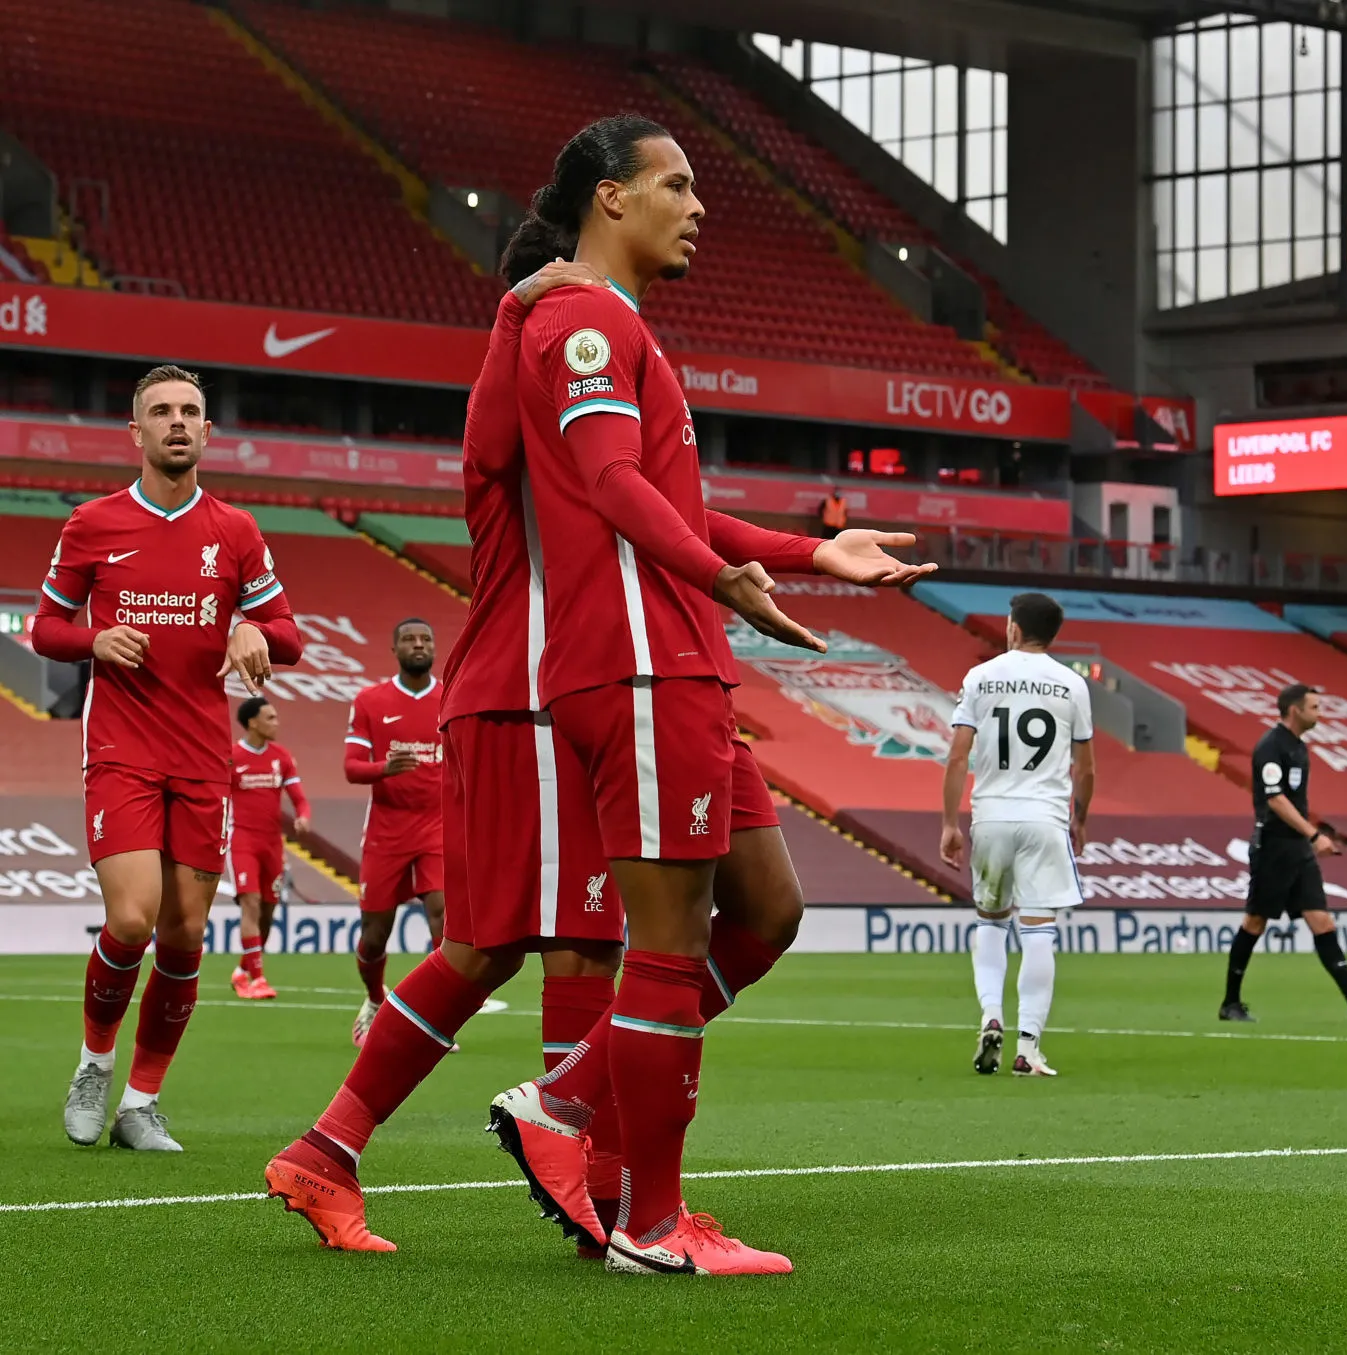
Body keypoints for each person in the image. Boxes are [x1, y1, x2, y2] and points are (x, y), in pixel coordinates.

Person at [268, 117, 933, 1272]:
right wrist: (720, 573)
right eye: (677, 184)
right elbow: (611, 482)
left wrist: (805, 550)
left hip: (610, 663)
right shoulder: (562, 322)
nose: (700, 206)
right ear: (610, 199)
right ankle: (614, 1190)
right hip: (566, 672)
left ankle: (547, 1135)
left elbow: (647, 486)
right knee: (566, 943)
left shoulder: (582, 325)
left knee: (691, 919)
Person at [34, 363, 300, 1152]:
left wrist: (255, 631)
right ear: (138, 432)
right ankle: (94, 1064)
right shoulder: (92, 524)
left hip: (201, 756)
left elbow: (287, 634)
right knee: (132, 916)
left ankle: (140, 1103)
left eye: (191, 410)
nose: (178, 422)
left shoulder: (237, 530)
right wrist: (93, 639)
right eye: (162, 411)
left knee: (185, 937)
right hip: (121, 747)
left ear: (208, 432)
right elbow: (45, 625)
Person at [940, 591, 1095, 1078]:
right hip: (1045, 817)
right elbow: (1086, 768)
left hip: (991, 817)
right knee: (1039, 931)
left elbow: (958, 756)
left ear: (1012, 627)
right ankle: (1028, 1047)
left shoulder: (981, 676)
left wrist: (949, 822)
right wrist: (1080, 817)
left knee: (990, 923)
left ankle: (990, 1016)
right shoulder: (1072, 685)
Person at [1218, 683, 1347, 1026]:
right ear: (1294, 710)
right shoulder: (1271, 746)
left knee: (1322, 921)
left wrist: (1307, 839)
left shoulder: (1298, 748)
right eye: (1314, 707)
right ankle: (1230, 1002)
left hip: (1297, 849)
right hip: (1273, 847)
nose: (1320, 713)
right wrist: (1314, 834)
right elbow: (1275, 799)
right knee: (1255, 921)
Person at [342, 618, 445, 1045]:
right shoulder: (370, 700)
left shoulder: (451, 696)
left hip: (439, 828)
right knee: (374, 934)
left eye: (425, 639)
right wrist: (385, 767)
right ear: (395, 649)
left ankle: (436, 1018)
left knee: (445, 919)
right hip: (387, 831)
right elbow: (351, 768)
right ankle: (373, 998)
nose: (418, 645)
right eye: (409, 639)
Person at [229, 695, 309, 1000]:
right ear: (253, 722)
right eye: (271, 717)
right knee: (250, 904)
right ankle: (259, 980)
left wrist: (302, 817)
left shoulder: (282, 757)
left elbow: (299, 798)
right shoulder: (232, 756)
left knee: (267, 913)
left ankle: (242, 972)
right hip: (242, 841)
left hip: (272, 844)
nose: (276, 723)